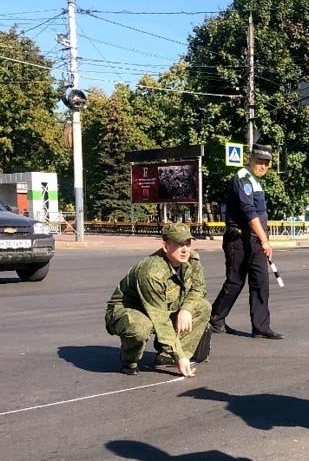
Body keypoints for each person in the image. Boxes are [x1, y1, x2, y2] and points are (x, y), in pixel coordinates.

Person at [105, 223, 212, 378]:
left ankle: (166, 356)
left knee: (202, 307)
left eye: (188, 244)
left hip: (163, 306)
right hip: (132, 310)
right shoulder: (152, 272)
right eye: (179, 244)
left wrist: (186, 309)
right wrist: (180, 356)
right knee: (140, 327)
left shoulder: (192, 260)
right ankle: (129, 359)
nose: (185, 250)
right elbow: (160, 319)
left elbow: (199, 289)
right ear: (166, 246)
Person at [210, 142, 284, 339]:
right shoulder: (242, 179)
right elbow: (249, 212)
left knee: (261, 282)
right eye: (260, 161)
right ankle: (216, 319)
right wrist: (265, 240)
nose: (263, 166)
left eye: (267, 163)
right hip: (239, 239)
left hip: (255, 240)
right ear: (250, 159)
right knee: (235, 282)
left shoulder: (256, 181)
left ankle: (260, 327)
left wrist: (263, 239)